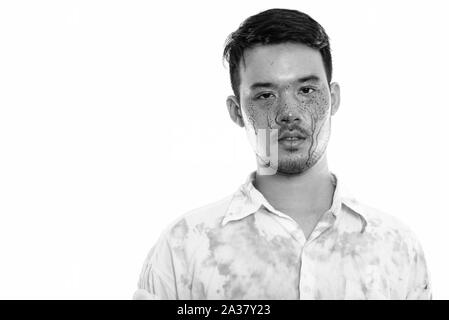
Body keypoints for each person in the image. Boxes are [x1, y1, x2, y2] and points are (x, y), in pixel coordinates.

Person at [133, 8, 431, 300]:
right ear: (237, 112)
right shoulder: (185, 247)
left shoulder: (396, 248)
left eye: (306, 90)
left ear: (334, 98)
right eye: (265, 95)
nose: (288, 113)